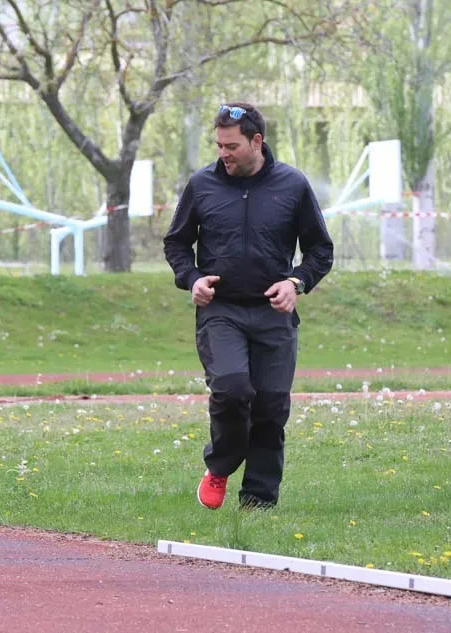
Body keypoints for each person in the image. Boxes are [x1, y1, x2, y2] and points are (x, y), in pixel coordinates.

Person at [163, 102, 334, 510]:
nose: (223, 154)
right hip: (221, 310)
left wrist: (296, 283)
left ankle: (258, 502)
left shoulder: (293, 185)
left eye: (232, 146)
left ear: (257, 142)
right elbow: (176, 244)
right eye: (219, 145)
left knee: (271, 408)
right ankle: (220, 465)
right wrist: (192, 278)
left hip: (274, 313)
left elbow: (320, 250)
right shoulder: (202, 185)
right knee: (232, 390)